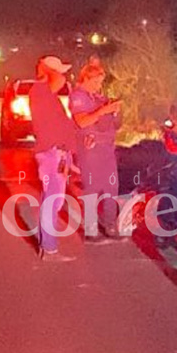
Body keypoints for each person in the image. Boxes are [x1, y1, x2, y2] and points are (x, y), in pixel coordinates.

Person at [70, 58, 124, 242]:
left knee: (111, 186)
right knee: (92, 188)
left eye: (100, 82)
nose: (98, 85)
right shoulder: (78, 96)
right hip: (90, 149)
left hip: (107, 148)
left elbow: (115, 125)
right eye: (95, 81)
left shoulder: (99, 97)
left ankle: (109, 224)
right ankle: (91, 228)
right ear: (85, 78)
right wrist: (102, 111)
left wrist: (115, 111)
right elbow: (82, 121)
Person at [30, 55, 77, 261]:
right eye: (60, 71)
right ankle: (49, 249)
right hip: (51, 153)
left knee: (51, 200)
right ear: (50, 72)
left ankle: (47, 246)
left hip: (56, 153)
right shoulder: (41, 91)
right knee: (53, 201)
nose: (64, 77)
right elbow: (59, 81)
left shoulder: (47, 95)